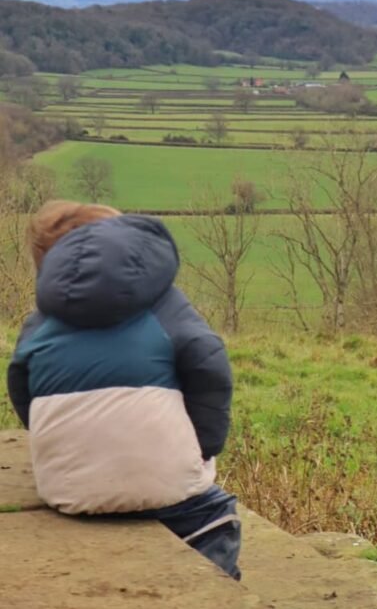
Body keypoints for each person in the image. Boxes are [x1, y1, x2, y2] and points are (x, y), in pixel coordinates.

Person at [6, 200, 241, 580]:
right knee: (216, 514)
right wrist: (205, 445)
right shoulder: (163, 303)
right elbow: (208, 365)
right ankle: (218, 585)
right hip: (171, 494)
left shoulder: (41, 319)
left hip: (68, 491)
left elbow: (20, 384)